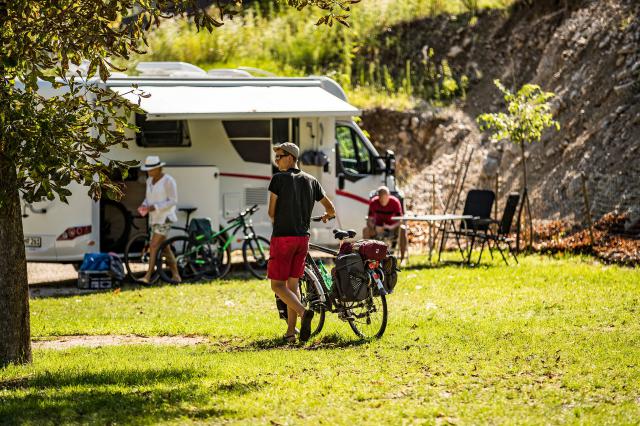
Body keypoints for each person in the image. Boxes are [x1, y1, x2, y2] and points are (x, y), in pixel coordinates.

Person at [268, 142, 336, 343]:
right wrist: (326, 216)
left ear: (290, 157)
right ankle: (291, 333)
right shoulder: (312, 180)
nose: (276, 161)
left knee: (277, 285)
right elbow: (331, 209)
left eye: (279, 156)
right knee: (293, 285)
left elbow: (271, 212)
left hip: (283, 238)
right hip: (302, 239)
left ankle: (303, 312)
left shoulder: (278, 179)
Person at [137, 155, 181, 284]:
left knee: (153, 246)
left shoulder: (168, 181)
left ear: (159, 168)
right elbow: (148, 198)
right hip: (155, 218)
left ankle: (148, 276)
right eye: (148, 170)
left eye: (151, 170)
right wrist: (144, 205)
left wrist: (155, 207)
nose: (149, 172)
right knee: (165, 248)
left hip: (166, 217)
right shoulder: (149, 181)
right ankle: (176, 276)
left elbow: (173, 201)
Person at [363, 185, 407, 262]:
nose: (383, 200)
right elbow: (369, 220)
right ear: (378, 197)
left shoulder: (395, 202)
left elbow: (401, 220)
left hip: (392, 228)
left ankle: (402, 258)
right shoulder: (374, 202)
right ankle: (367, 258)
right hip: (378, 228)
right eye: (381, 198)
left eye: (385, 197)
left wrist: (391, 227)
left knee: (403, 229)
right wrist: (374, 227)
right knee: (366, 230)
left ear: (388, 195)